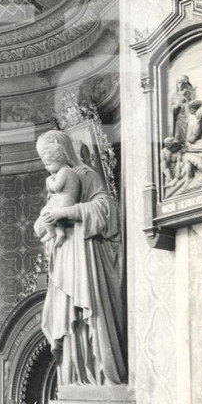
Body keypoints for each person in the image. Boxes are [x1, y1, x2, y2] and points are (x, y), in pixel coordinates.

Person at [34, 129, 125, 386]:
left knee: (86, 311)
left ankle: (98, 374)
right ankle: (73, 378)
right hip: (63, 258)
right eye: (44, 161)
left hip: (85, 255)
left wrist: (68, 213)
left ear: (62, 153)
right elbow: (41, 225)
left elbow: (108, 209)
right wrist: (47, 219)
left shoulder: (86, 175)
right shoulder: (55, 184)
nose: (47, 167)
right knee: (65, 317)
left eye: (49, 159)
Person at [36, 160, 82, 257]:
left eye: (49, 164)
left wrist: (49, 180)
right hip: (66, 204)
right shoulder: (67, 171)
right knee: (53, 216)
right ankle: (60, 232)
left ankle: (51, 232)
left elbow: (56, 187)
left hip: (64, 205)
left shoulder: (64, 171)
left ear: (58, 160)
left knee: (45, 213)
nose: (46, 168)